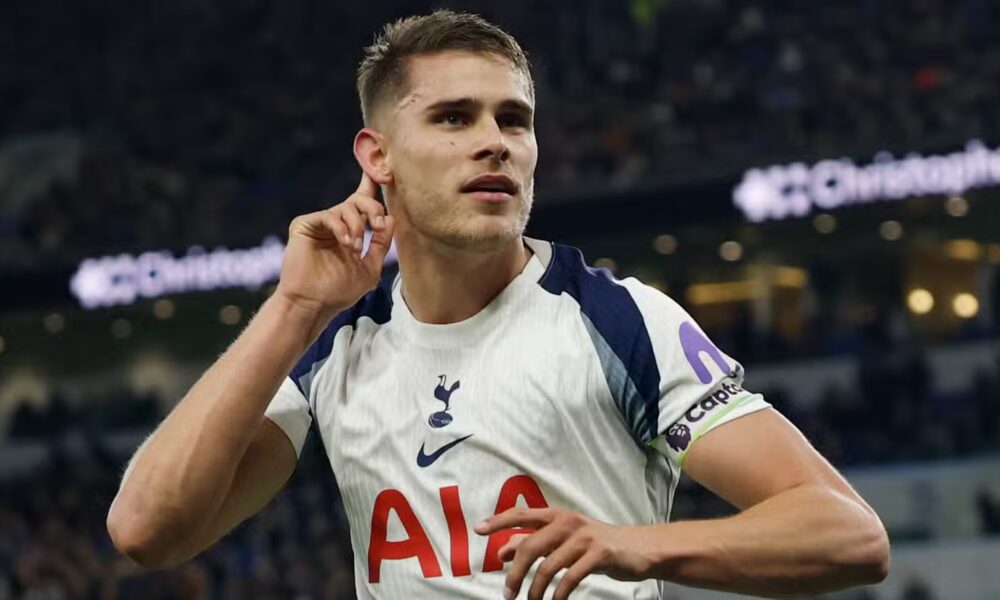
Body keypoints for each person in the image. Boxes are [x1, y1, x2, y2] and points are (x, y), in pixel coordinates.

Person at [107, 10, 889, 599]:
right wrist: (292, 307)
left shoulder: (617, 320)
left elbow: (848, 533)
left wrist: (637, 545)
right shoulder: (331, 340)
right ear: (377, 156)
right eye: (454, 118)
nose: (497, 142)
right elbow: (147, 530)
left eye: (514, 120)